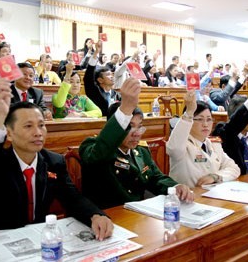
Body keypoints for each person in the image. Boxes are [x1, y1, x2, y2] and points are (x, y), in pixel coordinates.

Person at [0, 81, 113, 241]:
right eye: (28, 126)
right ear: (9, 134)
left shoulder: (54, 161)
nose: (38, 133)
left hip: (38, 237)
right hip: (0, 238)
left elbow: (72, 197)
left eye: (41, 125)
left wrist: (95, 215)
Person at [79, 78, 194, 209]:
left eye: (139, 127)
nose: (137, 133)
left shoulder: (141, 151)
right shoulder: (91, 147)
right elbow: (98, 154)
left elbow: (155, 178)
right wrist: (125, 109)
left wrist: (175, 187)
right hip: (107, 218)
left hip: (137, 215)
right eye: (129, 126)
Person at [166, 91, 240, 188]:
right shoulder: (182, 145)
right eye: (200, 119)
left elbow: (234, 168)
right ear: (190, 121)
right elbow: (174, 148)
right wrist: (189, 112)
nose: (205, 124)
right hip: (186, 198)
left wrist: (215, 176)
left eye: (209, 119)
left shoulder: (214, 144)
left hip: (211, 197)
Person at [84, 40, 121, 117]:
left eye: (111, 74)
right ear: (100, 80)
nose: (111, 76)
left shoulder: (116, 93)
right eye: (108, 75)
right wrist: (96, 52)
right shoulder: (95, 91)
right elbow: (88, 77)